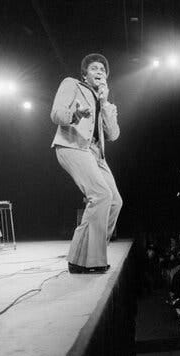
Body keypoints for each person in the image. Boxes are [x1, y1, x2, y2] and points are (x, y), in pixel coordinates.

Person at [50, 53, 122, 273]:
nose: (99, 71)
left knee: (114, 201)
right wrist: (75, 114)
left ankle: (93, 252)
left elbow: (113, 135)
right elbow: (56, 114)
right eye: (94, 68)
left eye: (102, 69)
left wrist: (104, 102)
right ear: (85, 74)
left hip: (96, 153)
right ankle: (80, 259)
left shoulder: (106, 102)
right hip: (72, 145)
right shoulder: (72, 84)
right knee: (101, 194)